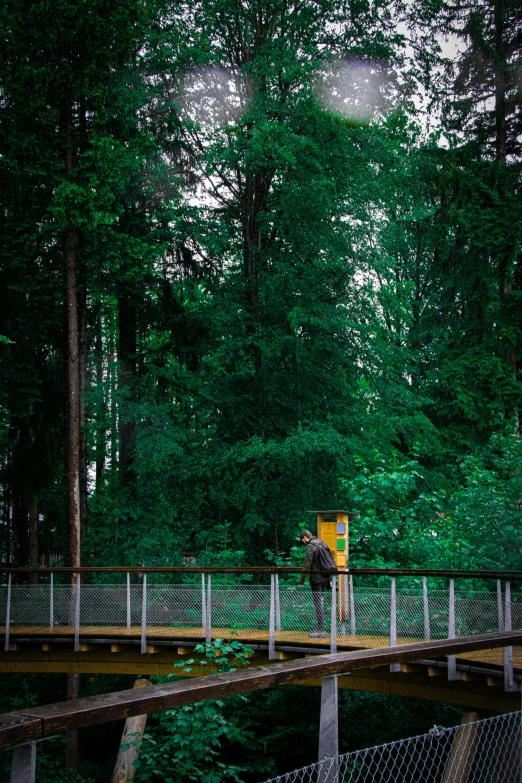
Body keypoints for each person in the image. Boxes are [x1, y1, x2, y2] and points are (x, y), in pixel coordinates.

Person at [297, 530, 333, 638]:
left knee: (318, 603)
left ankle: (321, 629)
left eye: (302, 540)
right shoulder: (322, 543)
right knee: (320, 602)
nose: (303, 543)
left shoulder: (310, 546)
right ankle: (320, 627)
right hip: (326, 578)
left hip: (316, 579)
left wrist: (301, 581)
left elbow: (307, 564)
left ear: (304, 538)